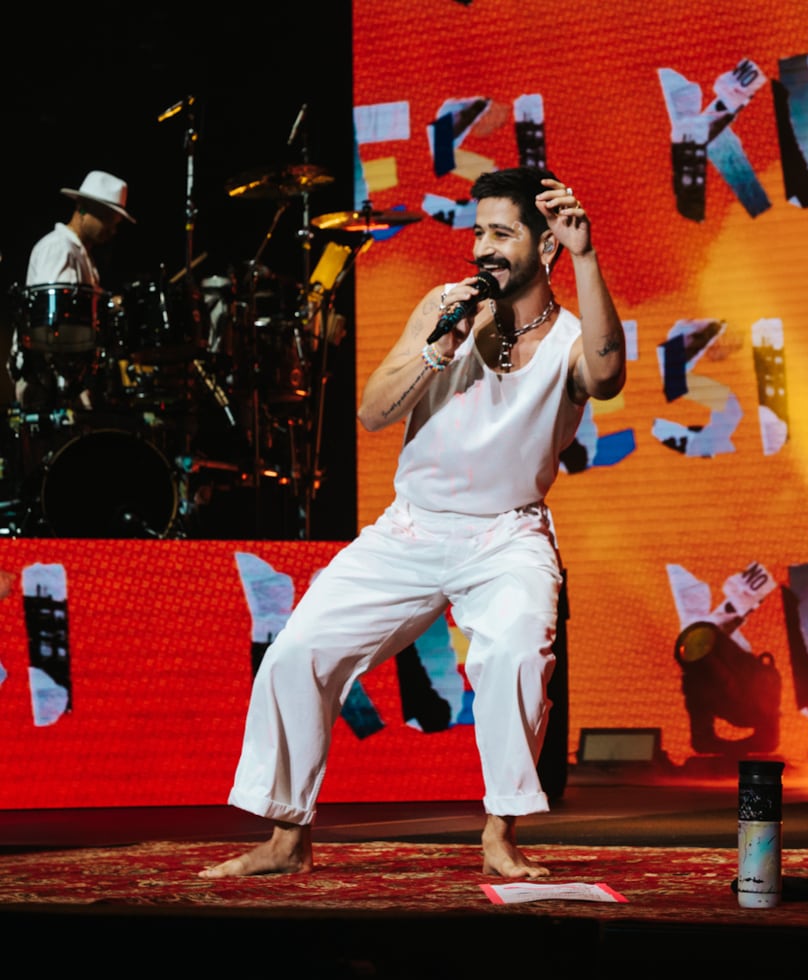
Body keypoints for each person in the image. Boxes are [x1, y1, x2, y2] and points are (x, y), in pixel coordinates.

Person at [199, 165, 626, 880]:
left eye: (502, 232)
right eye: (478, 231)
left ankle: (499, 832)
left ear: (546, 245)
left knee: (517, 654)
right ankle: (286, 837)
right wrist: (438, 347)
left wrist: (587, 256)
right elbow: (372, 412)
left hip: (506, 535)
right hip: (412, 528)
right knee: (297, 651)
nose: (483, 247)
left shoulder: (570, 339)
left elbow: (608, 376)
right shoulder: (445, 307)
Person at [8, 170, 135, 409]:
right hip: (47, 385)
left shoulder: (81, 255)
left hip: (69, 380)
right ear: (83, 208)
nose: (113, 230)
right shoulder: (58, 248)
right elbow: (52, 327)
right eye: (108, 219)